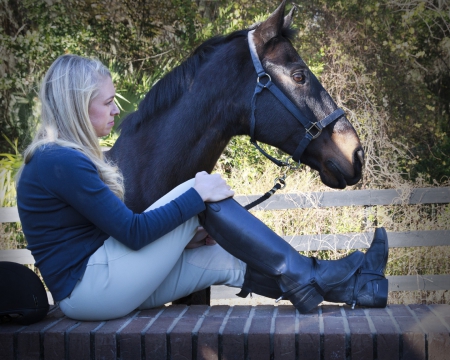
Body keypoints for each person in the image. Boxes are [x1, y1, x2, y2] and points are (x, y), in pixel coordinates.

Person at [16, 54, 389, 321]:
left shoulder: (60, 159)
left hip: (100, 282)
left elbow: (108, 229)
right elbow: (131, 232)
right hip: (90, 290)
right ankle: (316, 275)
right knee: (198, 186)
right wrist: (197, 197)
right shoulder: (60, 161)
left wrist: (181, 236)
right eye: (108, 102)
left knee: (223, 260)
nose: (116, 110)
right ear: (79, 106)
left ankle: (358, 288)